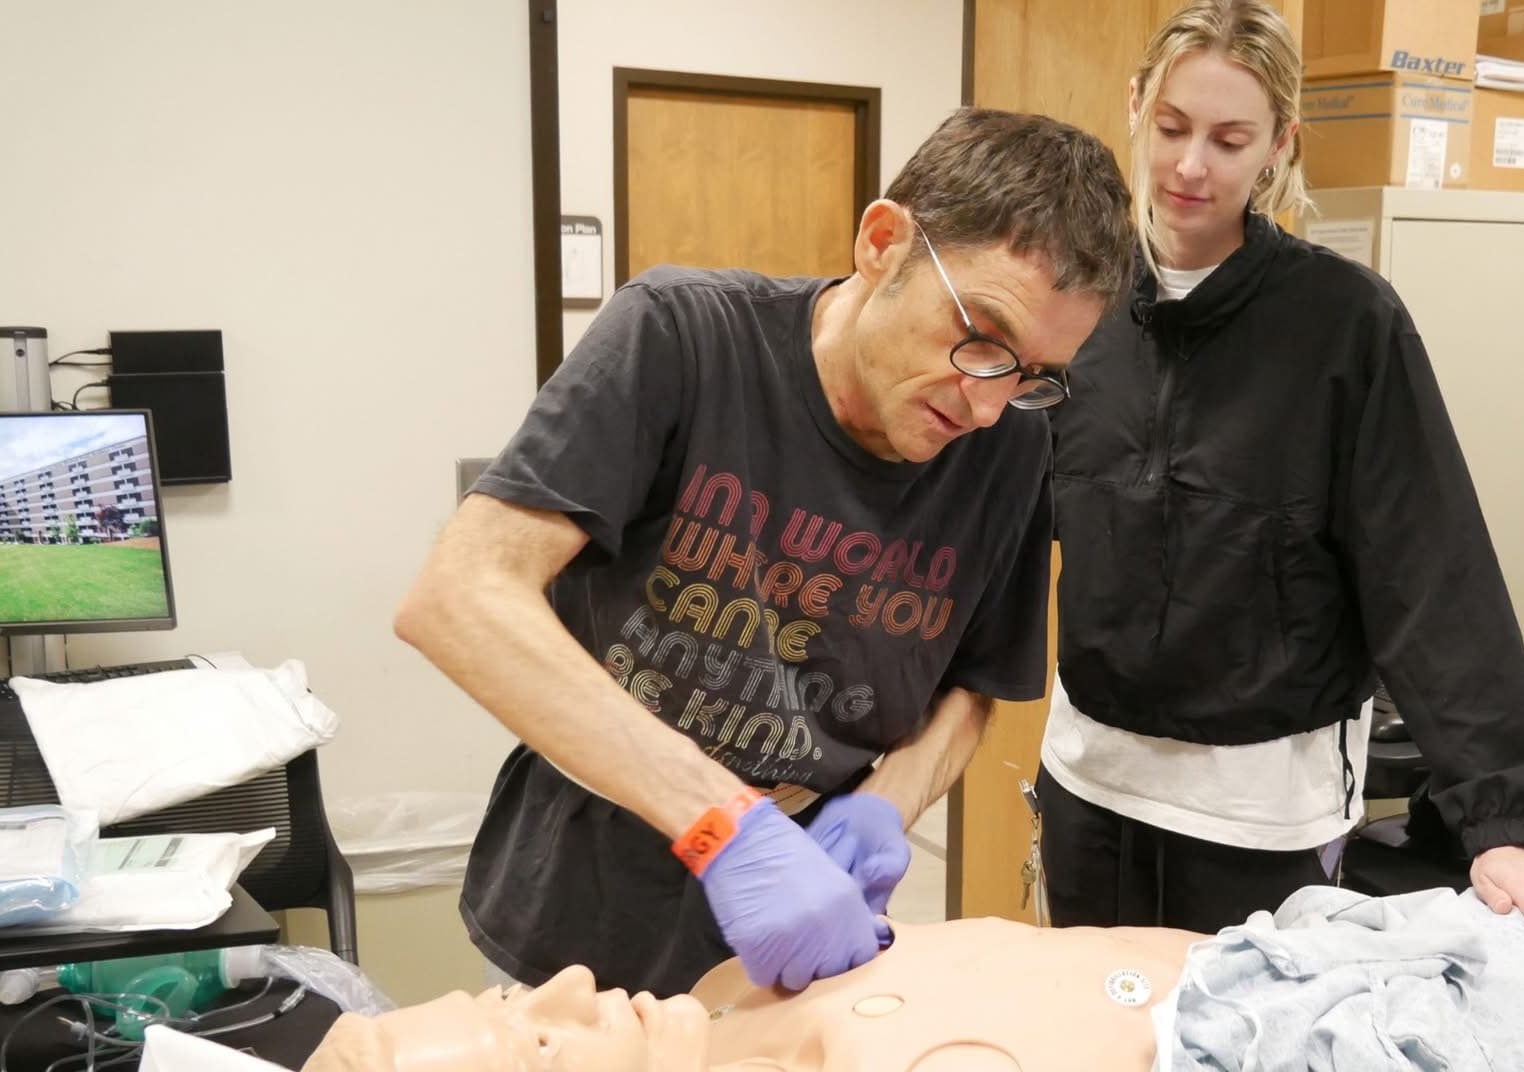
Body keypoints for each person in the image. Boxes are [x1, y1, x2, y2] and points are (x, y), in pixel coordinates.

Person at [392, 107, 1135, 997]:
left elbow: (975, 686)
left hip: (804, 913)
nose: (985, 404)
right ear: (884, 242)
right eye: (979, 336)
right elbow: (459, 596)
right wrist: (722, 825)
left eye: (1031, 374)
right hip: (584, 893)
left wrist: (888, 803)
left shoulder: (1008, 445)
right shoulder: (679, 337)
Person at [1038, 0, 1524, 948]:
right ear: (1136, 106)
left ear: (1280, 144)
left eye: (1230, 140)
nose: (1191, 166)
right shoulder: (1077, 302)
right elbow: (993, 522)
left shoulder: (1345, 324)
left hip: (1260, 813)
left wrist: (1501, 822)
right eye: (1173, 128)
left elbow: (1429, 567)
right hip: (1090, 782)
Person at [287, 900, 1524, 1071]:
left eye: (512, 990)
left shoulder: (736, 983)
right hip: (1330, 1044)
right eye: (530, 1037)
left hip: (1311, 943)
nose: (566, 979)